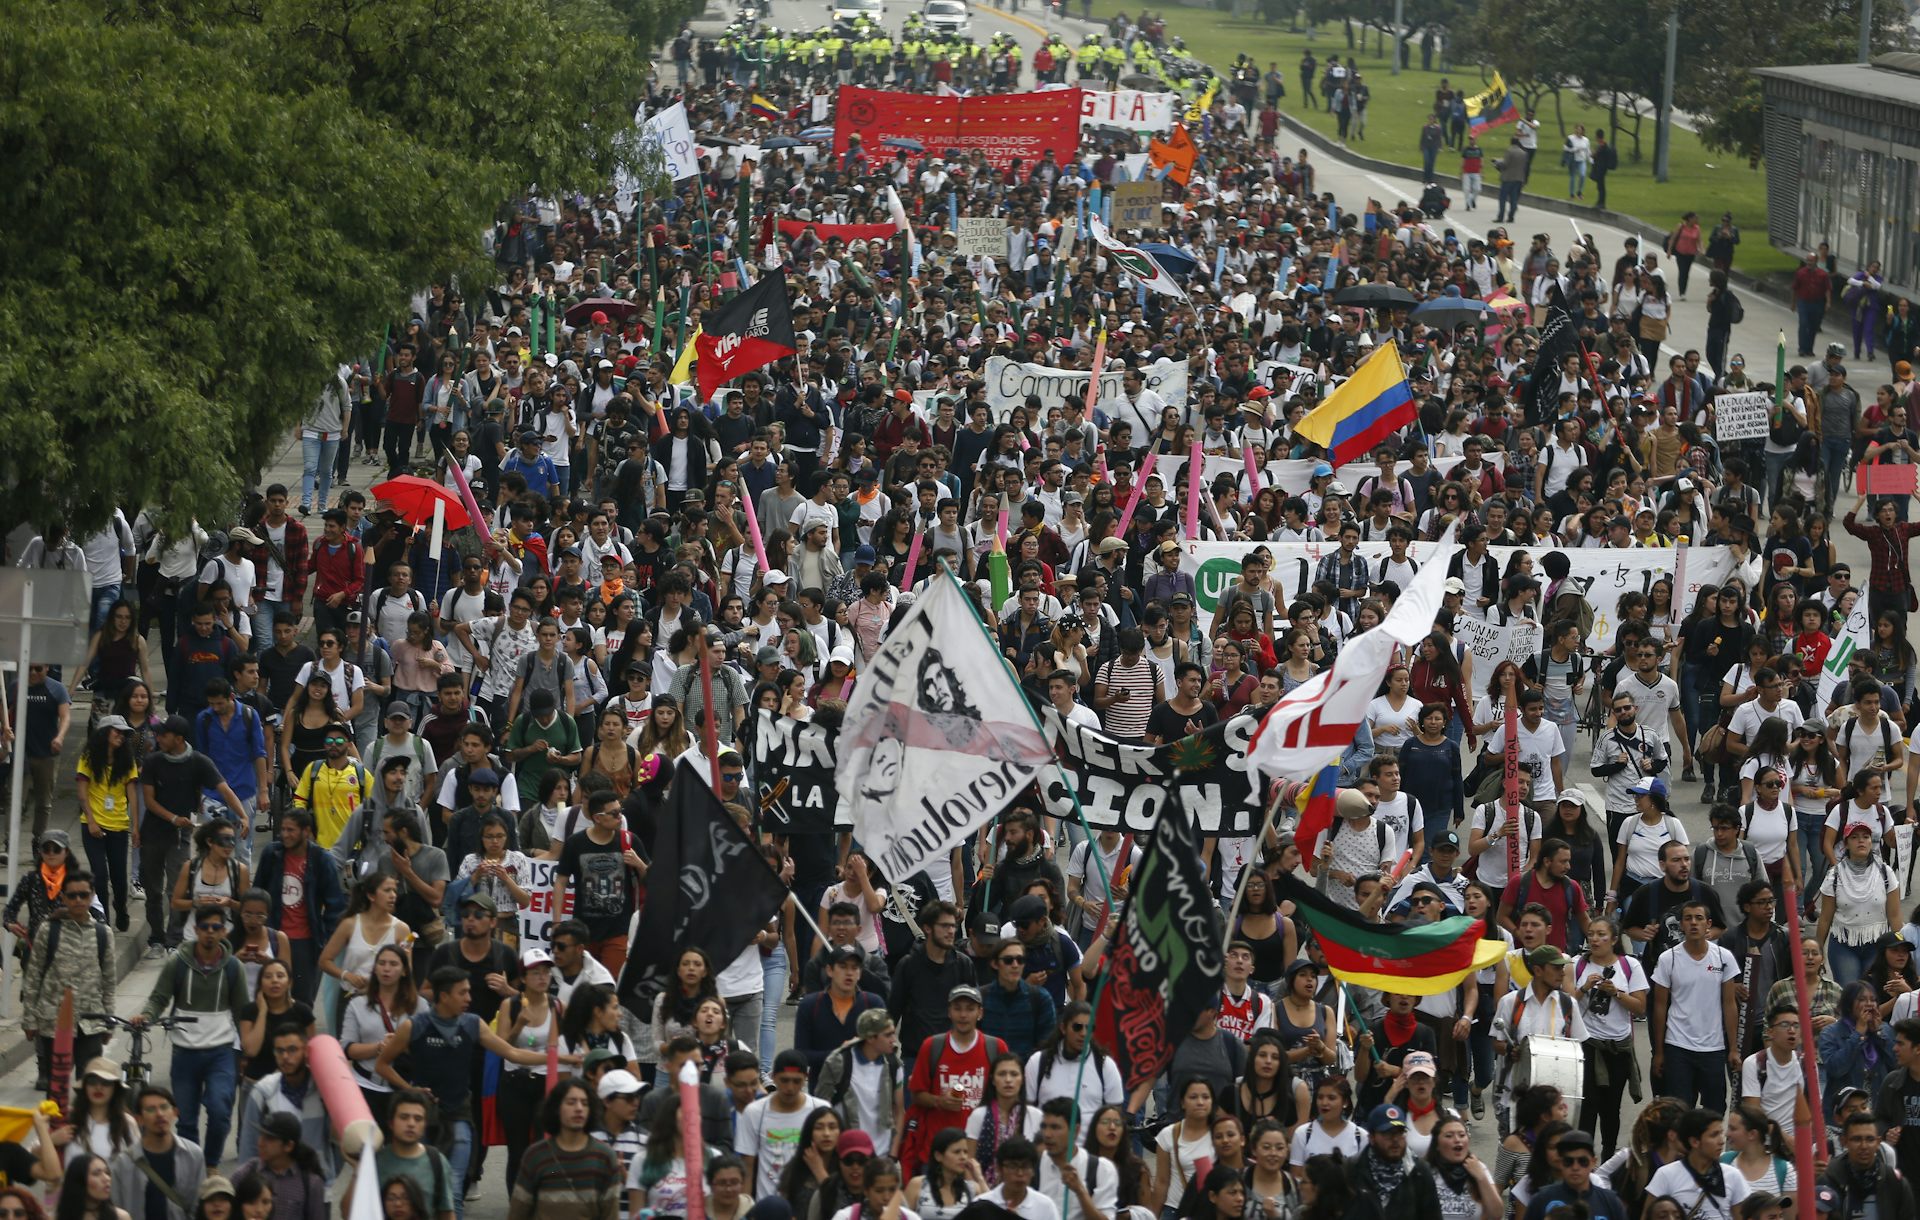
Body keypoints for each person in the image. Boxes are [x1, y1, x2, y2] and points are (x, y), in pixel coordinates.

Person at [137, 904, 249, 1168]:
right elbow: (159, 998)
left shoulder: (234, 968)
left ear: (225, 931)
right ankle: (191, 1168)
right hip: (184, 1052)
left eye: (216, 927)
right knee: (186, 1119)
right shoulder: (177, 964)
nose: (210, 933)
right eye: (205, 927)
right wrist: (146, 1016)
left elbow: (242, 1012)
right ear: (196, 930)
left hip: (221, 1052)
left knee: (221, 1111)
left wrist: (246, 1052)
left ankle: (210, 1164)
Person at [23, 870, 113, 1095]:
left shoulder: (103, 934)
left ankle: (87, 1130)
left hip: (90, 1022)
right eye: (72, 896)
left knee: (92, 1092)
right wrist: (30, 1020)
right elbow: (34, 975)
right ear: (63, 898)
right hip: (54, 1023)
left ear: (92, 895)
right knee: (56, 1093)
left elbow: (109, 981)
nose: (78, 900)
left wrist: (108, 1020)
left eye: (83, 895)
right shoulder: (49, 930)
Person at [1650, 901, 1742, 1111]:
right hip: (1678, 1046)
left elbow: (1729, 1004)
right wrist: (1659, 1052)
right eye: (1688, 918)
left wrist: (1733, 1049)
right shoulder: (1668, 959)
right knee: (1680, 1112)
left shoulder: (1723, 957)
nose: (1693, 923)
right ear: (1681, 924)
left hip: (1714, 1048)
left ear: (1708, 924)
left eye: (1699, 918)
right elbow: (1659, 1007)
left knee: (1715, 1109)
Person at [252, 810, 347, 1005]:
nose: (285, 834)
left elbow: (335, 907)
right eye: (283, 829)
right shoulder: (272, 854)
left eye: (291, 830)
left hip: (306, 943)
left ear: (306, 832)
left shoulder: (322, 860)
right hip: (273, 939)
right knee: (268, 999)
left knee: (302, 1003)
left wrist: (327, 943)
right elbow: (257, 894)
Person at [506, 1077, 624, 1220]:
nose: (579, 1108)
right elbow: (519, 1211)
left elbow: (610, 1213)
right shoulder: (536, 1156)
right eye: (571, 1102)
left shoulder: (604, 1157)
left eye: (585, 1103)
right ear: (556, 1109)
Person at [109, 1086, 208, 1220]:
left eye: (164, 1107)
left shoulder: (193, 1155)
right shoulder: (123, 1162)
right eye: (150, 1109)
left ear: (175, 1112)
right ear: (139, 1119)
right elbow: (116, 1209)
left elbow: (200, 1206)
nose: (159, 1114)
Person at [228, 1110, 328, 1220]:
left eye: (269, 1139)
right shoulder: (246, 1173)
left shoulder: (310, 1184)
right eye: (261, 1135)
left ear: (288, 1146)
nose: (260, 1143)